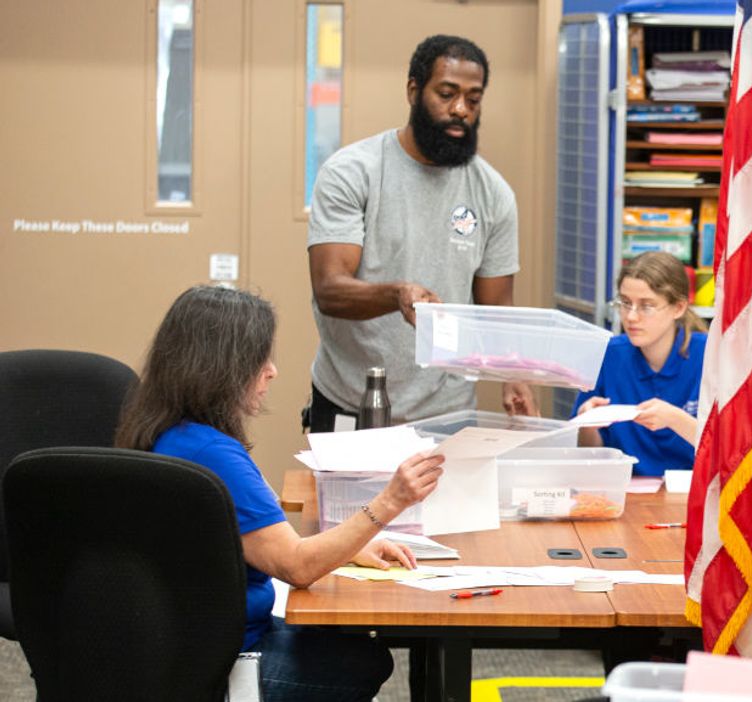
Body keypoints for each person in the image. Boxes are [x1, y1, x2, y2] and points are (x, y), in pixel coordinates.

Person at [116, 286, 445, 701]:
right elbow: (297, 567)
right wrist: (391, 500)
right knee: (364, 661)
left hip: (180, 645)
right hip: (227, 659)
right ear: (221, 367)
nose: (271, 371)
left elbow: (253, 544)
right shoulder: (214, 455)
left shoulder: (164, 432)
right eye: (259, 360)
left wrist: (349, 547)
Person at [304, 34, 535, 433]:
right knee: (355, 500)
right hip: (351, 404)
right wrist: (396, 295)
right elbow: (330, 290)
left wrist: (512, 369)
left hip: (446, 413)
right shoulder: (353, 172)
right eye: (446, 94)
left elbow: (496, 308)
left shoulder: (492, 193)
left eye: (473, 99)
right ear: (414, 90)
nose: (460, 109)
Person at [574, 252, 707, 476]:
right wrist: (587, 424)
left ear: (679, 308)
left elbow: (729, 450)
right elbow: (588, 454)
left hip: (692, 495)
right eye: (625, 303)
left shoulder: (708, 356)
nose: (631, 317)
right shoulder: (608, 355)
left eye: (647, 306)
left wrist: (674, 419)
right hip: (625, 493)